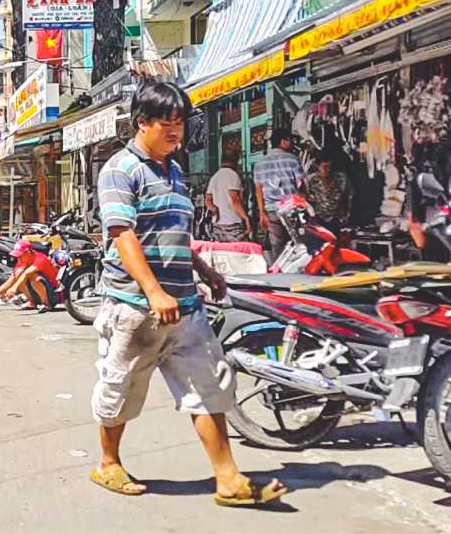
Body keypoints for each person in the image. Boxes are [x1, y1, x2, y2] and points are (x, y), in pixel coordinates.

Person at [91, 82, 285, 506]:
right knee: (121, 391)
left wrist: (204, 269)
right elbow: (123, 234)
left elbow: (173, 235)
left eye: (180, 123)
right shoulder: (120, 170)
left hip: (185, 305)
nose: (175, 131)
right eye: (167, 123)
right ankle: (108, 462)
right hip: (135, 307)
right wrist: (153, 291)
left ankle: (228, 478)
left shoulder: (174, 171)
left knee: (210, 386)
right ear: (142, 122)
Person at [254, 128, 305, 263]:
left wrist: (262, 213)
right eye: (289, 140)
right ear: (283, 142)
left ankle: (280, 269)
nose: (291, 143)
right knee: (297, 243)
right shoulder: (293, 159)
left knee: (278, 245)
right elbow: (301, 184)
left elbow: (258, 189)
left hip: (271, 210)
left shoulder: (260, 163)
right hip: (291, 209)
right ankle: (297, 269)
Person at [205, 149, 250, 242]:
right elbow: (234, 198)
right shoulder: (233, 175)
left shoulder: (214, 177)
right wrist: (245, 217)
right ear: (235, 160)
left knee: (222, 250)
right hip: (233, 223)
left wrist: (215, 210)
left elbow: (208, 200)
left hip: (218, 225)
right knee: (237, 250)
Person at [307, 150, 351, 230]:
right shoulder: (311, 180)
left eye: (330, 166)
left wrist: (345, 216)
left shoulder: (341, 178)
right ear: (317, 166)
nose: (329, 169)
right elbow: (306, 200)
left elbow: (347, 197)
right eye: (325, 166)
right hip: (318, 220)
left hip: (336, 220)